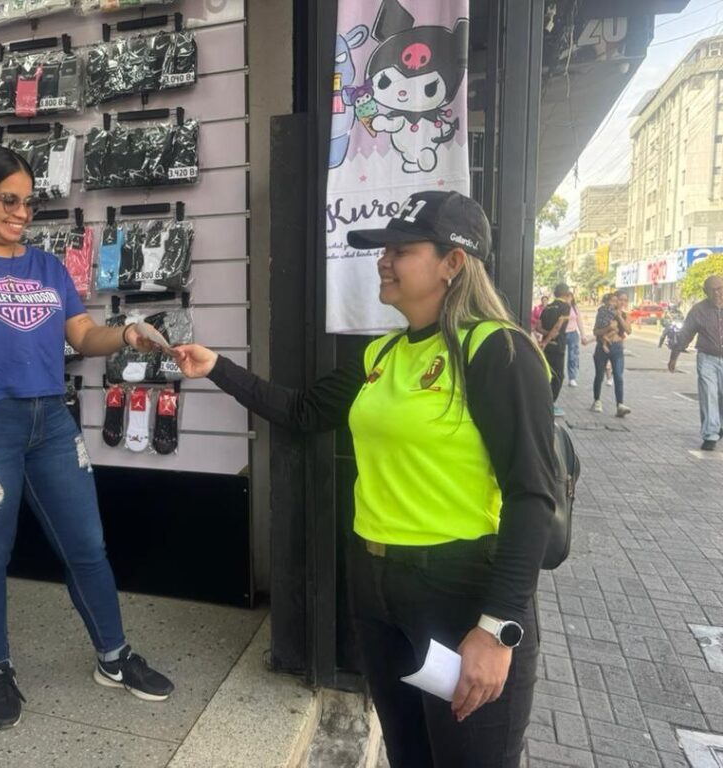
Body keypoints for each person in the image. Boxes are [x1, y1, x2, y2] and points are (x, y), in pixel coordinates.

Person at [175, 191, 557, 768]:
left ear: (453, 262)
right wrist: (217, 368)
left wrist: (497, 627)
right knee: (408, 754)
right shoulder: (380, 353)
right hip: (377, 589)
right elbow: (304, 411)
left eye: (401, 250)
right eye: (383, 250)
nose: (384, 260)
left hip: (462, 592)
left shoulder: (497, 350)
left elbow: (532, 496)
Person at [0, 144, 174, 731]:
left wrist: (127, 333)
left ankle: (114, 655)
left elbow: (82, 335)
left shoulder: (46, 267)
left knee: (87, 545)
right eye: (8, 200)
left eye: (28, 202)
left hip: (50, 421)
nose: (22, 213)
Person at [668, 275, 723, 451]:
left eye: (720, 288)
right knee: (708, 394)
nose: (717, 293)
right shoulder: (698, 310)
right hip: (707, 358)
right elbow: (686, 334)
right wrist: (674, 357)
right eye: (713, 290)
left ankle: (719, 425)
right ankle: (710, 434)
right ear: (705, 292)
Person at [590, 292, 632, 417]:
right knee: (599, 375)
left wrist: (619, 317)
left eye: (625, 300)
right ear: (613, 300)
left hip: (617, 348)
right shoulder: (603, 313)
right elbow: (596, 331)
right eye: (620, 299)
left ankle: (620, 404)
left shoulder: (625, 315)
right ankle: (597, 400)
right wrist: (608, 328)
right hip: (602, 348)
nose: (622, 303)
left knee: (618, 376)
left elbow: (628, 330)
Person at [539, 283, 573, 416]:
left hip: (546, 347)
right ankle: (550, 405)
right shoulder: (565, 307)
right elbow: (558, 327)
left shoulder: (547, 307)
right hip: (557, 346)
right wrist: (548, 340)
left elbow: (538, 327)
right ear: (566, 294)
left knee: (547, 374)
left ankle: (543, 402)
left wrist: (546, 337)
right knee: (558, 376)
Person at [565, 295, 591, 387]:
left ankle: (572, 378)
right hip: (562, 334)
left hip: (573, 333)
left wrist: (583, 335)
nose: (568, 298)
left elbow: (579, 321)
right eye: (566, 296)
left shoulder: (574, 308)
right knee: (559, 356)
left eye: (569, 297)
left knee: (573, 356)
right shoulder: (561, 307)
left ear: (572, 298)